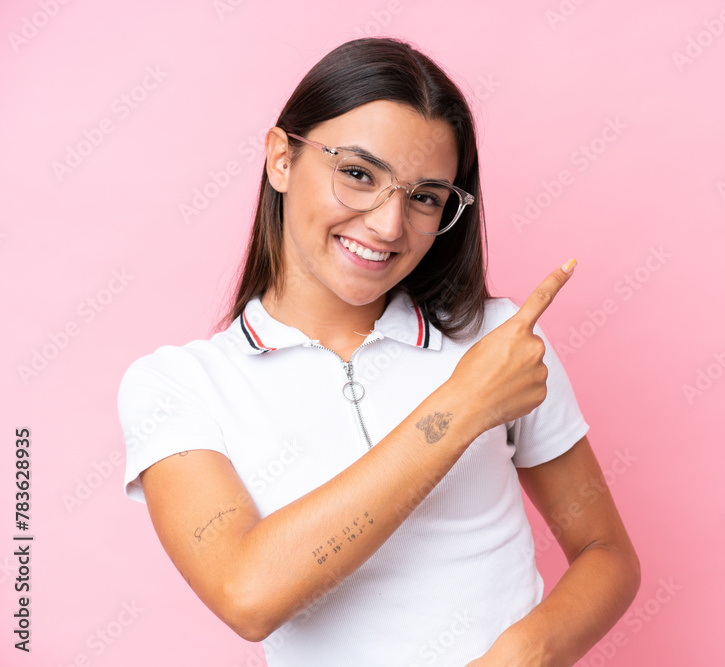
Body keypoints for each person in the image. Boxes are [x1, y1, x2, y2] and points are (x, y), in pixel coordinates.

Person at [118, 36, 640, 666]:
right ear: (281, 158)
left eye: (424, 196)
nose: (389, 226)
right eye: (359, 175)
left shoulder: (499, 342)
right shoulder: (180, 386)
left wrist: (526, 653)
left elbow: (606, 554)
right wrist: (461, 407)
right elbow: (247, 593)